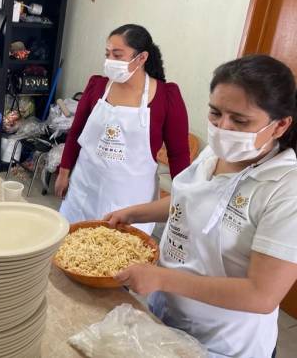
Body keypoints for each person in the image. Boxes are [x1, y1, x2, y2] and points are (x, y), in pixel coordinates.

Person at [105, 55, 297, 358]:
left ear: (280, 125)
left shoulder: (286, 189)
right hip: (171, 314)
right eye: (215, 113)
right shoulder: (216, 152)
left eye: (240, 120)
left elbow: (262, 295)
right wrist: (134, 213)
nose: (223, 127)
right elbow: (192, 201)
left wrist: (162, 277)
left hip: (225, 342)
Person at [55, 24, 190, 233]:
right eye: (107, 54)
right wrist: (64, 172)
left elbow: (179, 154)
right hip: (85, 187)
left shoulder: (166, 96)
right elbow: (75, 134)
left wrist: (183, 200)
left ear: (142, 58)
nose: (110, 61)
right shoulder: (97, 86)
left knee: (119, 256)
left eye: (118, 55)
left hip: (131, 200)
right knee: (73, 249)